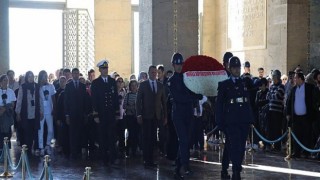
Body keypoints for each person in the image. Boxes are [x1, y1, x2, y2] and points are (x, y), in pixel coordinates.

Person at [215, 56, 254, 180]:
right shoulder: (224, 85)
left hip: (243, 119)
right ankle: (236, 170)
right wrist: (219, 121)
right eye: (234, 68)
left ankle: (233, 167)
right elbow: (219, 105)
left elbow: (249, 102)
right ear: (229, 68)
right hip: (231, 120)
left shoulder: (245, 82)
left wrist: (251, 118)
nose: (237, 70)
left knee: (241, 146)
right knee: (234, 145)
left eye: (238, 67)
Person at [167, 52, 202, 179]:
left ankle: (177, 166)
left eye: (181, 64)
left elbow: (195, 92)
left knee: (186, 141)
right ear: (173, 65)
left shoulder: (188, 78)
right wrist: (192, 97)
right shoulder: (171, 81)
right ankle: (185, 166)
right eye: (177, 64)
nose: (179, 66)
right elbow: (179, 98)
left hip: (188, 113)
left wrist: (198, 94)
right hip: (178, 115)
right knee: (184, 140)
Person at [136, 65, 167, 168]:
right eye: (152, 72)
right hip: (145, 115)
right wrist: (139, 114)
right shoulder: (143, 85)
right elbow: (138, 101)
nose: (154, 74)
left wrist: (165, 116)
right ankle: (146, 160)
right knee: (146, 138)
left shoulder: (160, 85)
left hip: (156, 116)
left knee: (153, 138)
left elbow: (164, 102)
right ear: (149, 73)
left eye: (155, 72)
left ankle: (152, 160)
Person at [91, 59, 119, 166]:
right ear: (99, 70)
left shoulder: (112, 81)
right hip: (101, 114)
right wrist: (96, 114)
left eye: (106, 68)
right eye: (103, 68)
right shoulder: (96, 83)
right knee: (102, 136)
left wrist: (116, 112)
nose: (105, 70)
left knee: (112, 135)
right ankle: (104, 157)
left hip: (111, 113)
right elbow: (94, 100)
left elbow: (115, 97)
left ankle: (112, 156)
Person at [286, 72, 315, 158]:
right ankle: (297, 152)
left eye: (296, 78)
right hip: (296, 117)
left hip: (306, 116)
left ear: (300, 79)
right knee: (296, 135)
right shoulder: (294, 89)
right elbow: (289, 102)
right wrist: (288, 113)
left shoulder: (309, 88)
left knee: (306, 134)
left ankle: (306, 152)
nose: (294, 80)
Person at [15, 71, 43, 154]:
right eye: (29, 76)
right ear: (26, 78)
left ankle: (36, 147)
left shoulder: (37, 86)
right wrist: (18, 113)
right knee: (27, 132)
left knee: (35, 131)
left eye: (32, 76)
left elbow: (41, 100)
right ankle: (28, 149)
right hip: (25, 113)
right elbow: (19, 100)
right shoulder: (22, 87)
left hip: (35, 113)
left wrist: (41, 111)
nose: (30, 78)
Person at [64, 68, 89, 159]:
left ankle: (79, 150)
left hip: (81, 113)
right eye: (74, 73)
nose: (76, 75)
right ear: (72, 74)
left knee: (80, 132)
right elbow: (66, 101)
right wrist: (67, 115)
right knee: (72, 133)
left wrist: (86, 113)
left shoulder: (83, 86)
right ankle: (73, 151)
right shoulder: (68, 85)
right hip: (72, 113)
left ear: (79, 74)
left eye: (77, 73)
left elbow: (85, 100)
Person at [38, 70, 56, 156]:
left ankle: (47, 145)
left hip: (49, 111)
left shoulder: (51, 86)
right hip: (41, 112)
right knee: (40, 130)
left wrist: (54, 108)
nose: (44, 78)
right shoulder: (38, 87)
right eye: (42, 76)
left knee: (50, 129)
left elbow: (53, 98)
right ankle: (41, 147)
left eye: (45, 76)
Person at [0, 74, 17, 150]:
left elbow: (12, 104)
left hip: (7, 114)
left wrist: (5, 108)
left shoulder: (11, 91)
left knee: (7, 133)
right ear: (1, 81)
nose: (6, 81)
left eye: (7, 80)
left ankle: (7, 150)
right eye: (4, 80)